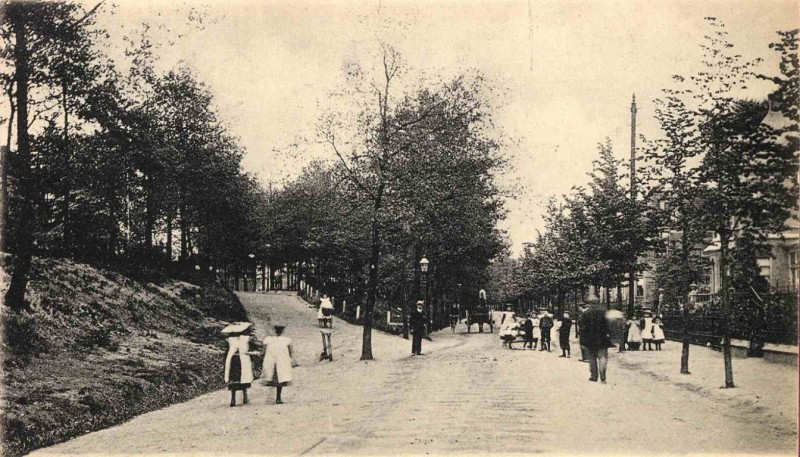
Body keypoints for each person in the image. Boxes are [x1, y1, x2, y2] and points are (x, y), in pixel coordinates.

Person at [224, 323, 256, 407]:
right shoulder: (245, 338)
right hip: (242, 360)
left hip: (233, 360)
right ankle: (245, 397)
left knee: (234, 378)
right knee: (244, 378)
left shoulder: (230, 339)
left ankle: (233, 399)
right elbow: (252, 339)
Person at [578, 304, 612, 383]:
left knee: (592, 358)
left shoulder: (585, 314)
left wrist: (582, 342)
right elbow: (610, 326)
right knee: (602, 357)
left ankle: (594, 376)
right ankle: (603, 377)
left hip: (590, 340)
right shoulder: (604, 313)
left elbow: (582, 329)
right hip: (602, 340)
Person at [262, 325, 295, 404]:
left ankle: (276, 397)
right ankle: (278, 397)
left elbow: (264, 351)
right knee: (280, 379)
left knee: (273, 377)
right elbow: (290, 351)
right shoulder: (286, 340)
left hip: (271, 361)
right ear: (282, 331)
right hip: (281, 362)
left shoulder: (268, 340)